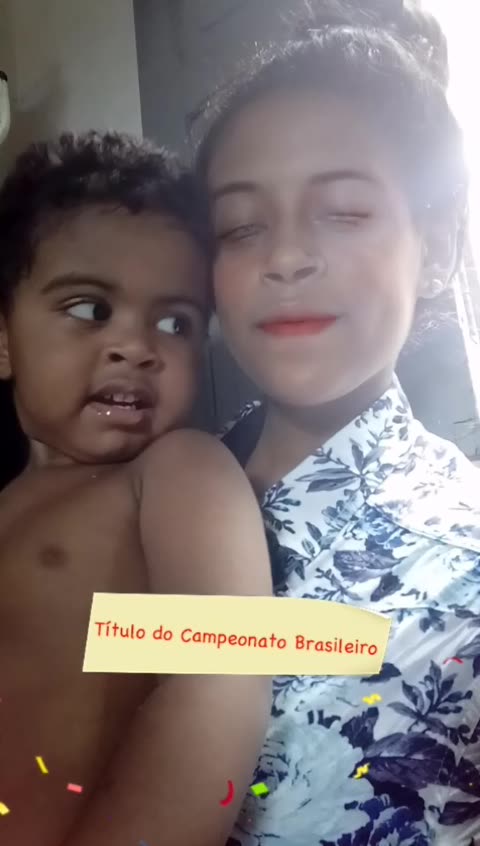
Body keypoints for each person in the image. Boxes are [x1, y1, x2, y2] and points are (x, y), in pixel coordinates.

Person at [195, 1, 480, 843]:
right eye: (241, 227)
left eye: (344, 211)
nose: (285, 257)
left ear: (437, 247)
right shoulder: (137, 498)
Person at [0, 130, 272, 846]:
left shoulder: (178, 472)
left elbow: (220, 676)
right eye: (90, 309)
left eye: (176, 323)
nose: (137, 348)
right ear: (3, 338)